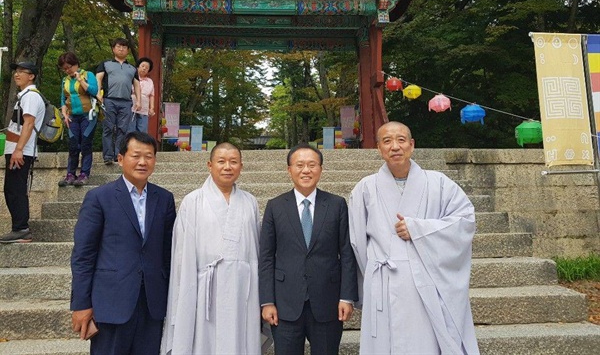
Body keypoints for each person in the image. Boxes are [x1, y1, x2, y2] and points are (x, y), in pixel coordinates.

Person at [348, 121, 480, 354]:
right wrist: (371, 277)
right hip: (383, 278)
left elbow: (465, 221)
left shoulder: (439, 183)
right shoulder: (365, 188)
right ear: (379, 148)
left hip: (426, 278)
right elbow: (357, 241)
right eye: (387, 141)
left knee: (423, 343)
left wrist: (419, 230)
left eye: (401, 140)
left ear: (412, 145)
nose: (395, 146)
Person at [71, 132, 176, 354]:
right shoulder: (100, 198)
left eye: (149, 156)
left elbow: (168, 252)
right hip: (111, 304)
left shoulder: (164, 199)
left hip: (152, 304)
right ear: (120, 159)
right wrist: (81, 304)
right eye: (136, 155)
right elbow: (83, 255)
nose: (142, 162)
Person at [161, 142, 262, 355]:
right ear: (209, 165)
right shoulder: (193, 201)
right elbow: (182, 256)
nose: (228, 167)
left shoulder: (249, 202)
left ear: (241, 167)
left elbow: (256, 252)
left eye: (233, 162)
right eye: (221, 161)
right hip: (203, 289)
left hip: (242, 289)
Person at [259, 144, 358, 355]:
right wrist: (267, 301)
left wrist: (347, 297)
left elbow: (347, 253)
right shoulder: (275, 206)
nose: (306, 170)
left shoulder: (336, 204)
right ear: (289, 170)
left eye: (312, 165)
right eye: (300, 165)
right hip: (285, 304)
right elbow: (266, 257)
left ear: (320, 169)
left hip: (328, 302)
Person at [0, 61, 45, 244]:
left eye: (21, 71)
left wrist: (18, 149)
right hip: (17, 149)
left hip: (22, 151)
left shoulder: (31, 96)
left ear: (31, 76)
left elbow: (29, 123)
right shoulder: (24, 95)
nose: (17, 74)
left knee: (15, 190)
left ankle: (21, 229)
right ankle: (18, 228)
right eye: (16, 72)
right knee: (11, 189)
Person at [57, 52, 99, 187]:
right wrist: (64, 112)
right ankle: (70, 173)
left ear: (76, 64)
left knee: (85, 143)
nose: (67, 70)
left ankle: (84, 173)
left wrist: (81, 80)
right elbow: (63, 98)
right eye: (64, 68)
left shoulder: (88, 75)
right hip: (73, 116)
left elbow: (94, 90)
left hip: (88, 114)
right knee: (73, 144)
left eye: (69, 67)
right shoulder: (65, 80)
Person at [96, 38, 141, 165]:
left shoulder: (132, 68)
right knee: (108, 128)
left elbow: (137, 85)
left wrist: (138, 101)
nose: (121, 49)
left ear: (128, 50)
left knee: (123, 129)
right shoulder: (105, 64)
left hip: (126, 101)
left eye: (124, 47)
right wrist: (98, 93)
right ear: (113, 49)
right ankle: (108, 156)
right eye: (118, 46)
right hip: (109, 100)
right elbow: (98, 78)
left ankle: (118, 154)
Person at [128, 57, 155, 134]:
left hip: (144, 109)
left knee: (142, 131)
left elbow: (152, 95)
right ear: (138, 67)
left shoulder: (150, 81)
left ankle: (141, 145)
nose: (144, 69)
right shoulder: (132, 78)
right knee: (130, 129)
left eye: (146, 68)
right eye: (142, 66)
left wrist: (152, 108)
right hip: (131, 107)